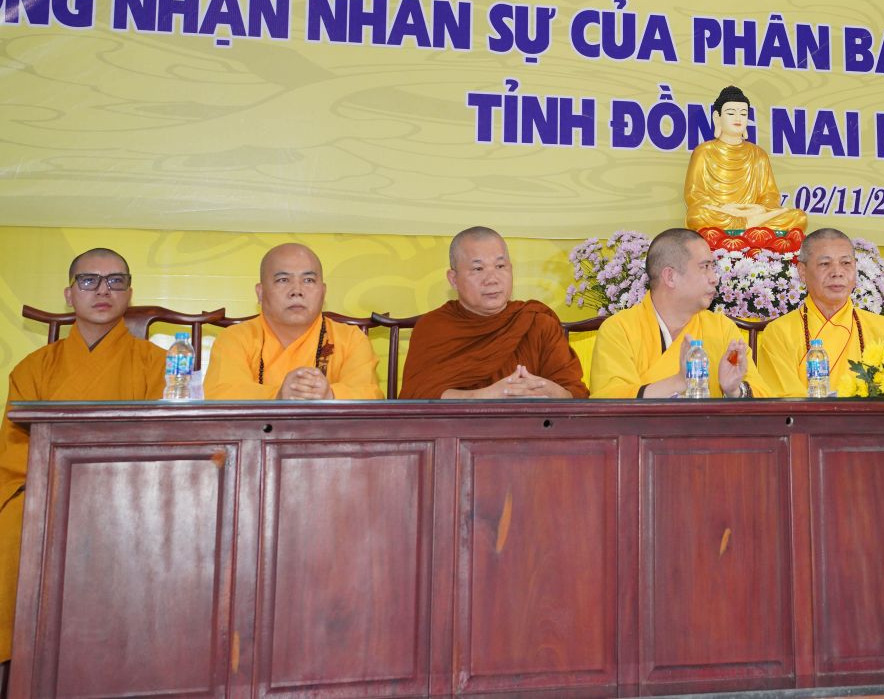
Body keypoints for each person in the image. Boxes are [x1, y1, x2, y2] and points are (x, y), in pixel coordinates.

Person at [0, 249, 165, 663]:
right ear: (69, 294)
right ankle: (17, 660)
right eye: (89, 281)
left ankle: (138, 660)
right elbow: (15, 448)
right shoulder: (34, 367)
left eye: (116, 281)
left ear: (129, 293)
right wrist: (64, 481)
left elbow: (165, 443)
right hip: (48, 490)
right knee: (13, 522)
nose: (103, 290)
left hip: (128, 494)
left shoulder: (158, 363)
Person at [399, 227, 588, 399]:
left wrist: (545, 389)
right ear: (453, 279)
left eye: (500, 266)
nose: (492, 279)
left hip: (528, 425)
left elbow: (575, 396)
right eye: (478, 269)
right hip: (456, 427)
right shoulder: (433, 328)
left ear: (511, 269)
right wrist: (485, 396)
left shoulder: (537, 323)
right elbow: (415, 399)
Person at [589, 228, 756, 398]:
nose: (714, 278)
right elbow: (609, 401)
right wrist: (679, 382)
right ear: (670, 277)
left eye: (712, 267)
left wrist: (734, 391)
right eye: (705, 267)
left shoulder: (722, 328)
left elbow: (763, 397)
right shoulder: (619, 329)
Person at [204, 243, 380, 400]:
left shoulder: (351, 339)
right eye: (283, 280)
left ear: (323, 292)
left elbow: (369, 395)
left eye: (308, 280)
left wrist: (330, 395)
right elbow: (220, 394)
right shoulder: (235, 338)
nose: (297, 290)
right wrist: (277, 395)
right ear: (260, 293)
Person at [756, 228, 884, 397]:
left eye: (846, 263)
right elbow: (785, 402)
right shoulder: (779, 333)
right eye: (825, 264)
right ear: (802, 271)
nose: (837, 273)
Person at [684, 85, 807, 233]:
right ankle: (751, 226)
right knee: (697, 215)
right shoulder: (704, 151)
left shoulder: (758, 154)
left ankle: (746, 225)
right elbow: (694, 195)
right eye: (731, 113)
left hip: (753, 212)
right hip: (723, 213)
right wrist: (725, 208)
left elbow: (770, 195)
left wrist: (759, 209)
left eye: (743, 114)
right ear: (717, 117)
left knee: (799, 217)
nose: (738, 118)